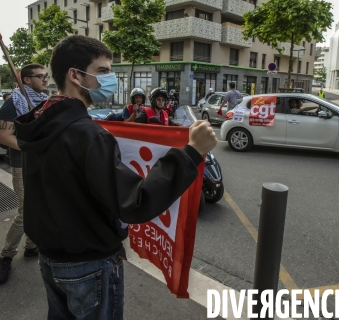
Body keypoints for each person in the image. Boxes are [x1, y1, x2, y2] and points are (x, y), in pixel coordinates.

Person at [15, 35, 217, 319]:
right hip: (88, 264)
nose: (111, 78)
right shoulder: (88, 135)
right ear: (75, 75)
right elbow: (136, 202)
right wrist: (192, 153)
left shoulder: (40, 122)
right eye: (103, 71)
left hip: (51, 258)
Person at [0, 64, 49, 284]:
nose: (45, 80)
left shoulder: (43, 103)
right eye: (40, 76)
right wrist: (33, 148)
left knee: (40, 207)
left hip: (43, 165)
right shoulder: (12, 104)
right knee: (26, 212)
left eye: (46, 76)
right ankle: (6, 256)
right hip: (23, 165)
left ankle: (32, 246)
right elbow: (5, 137)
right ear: (26, 80)